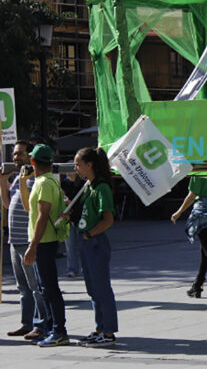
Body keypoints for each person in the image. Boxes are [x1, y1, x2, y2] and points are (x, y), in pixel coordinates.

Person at [0, 140, 49, 341]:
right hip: (14, 240)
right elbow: (7, 203)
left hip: (27, 240)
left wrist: (33, 243)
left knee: (36, 287)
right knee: (23, 288)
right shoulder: (18, 179)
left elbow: (33, 207)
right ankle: (26, 323)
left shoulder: (34, 179)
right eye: (13, 154)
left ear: (30, 157)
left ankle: (42, 324)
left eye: (19, 154)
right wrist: (3, 181)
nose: (15, 157)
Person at [20, 144, 69, 346]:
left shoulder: (44, 183)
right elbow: (30, 210)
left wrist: (33, 245)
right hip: (45, 241)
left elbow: (42, 216)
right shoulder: (46, 180)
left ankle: (59, 331)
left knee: (49, 288)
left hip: (44, 242)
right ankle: (50, 328)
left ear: (33, 162)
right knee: (44, 288)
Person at [73, 147, 118, 347]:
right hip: (87, 241)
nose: (76, 168)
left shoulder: (101, 188)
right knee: (92, 289)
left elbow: (108, 219)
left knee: (102, 288)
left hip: (96, 243)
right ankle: (100, 327)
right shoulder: (88, 186)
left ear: (89, 164)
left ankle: (108, 332)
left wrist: (90, 234)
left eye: (78, 164)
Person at [61, 172, 85, 277]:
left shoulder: (83, 183)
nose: (68, 173)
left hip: (80, 218)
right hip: (68, 218)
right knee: (70, 246)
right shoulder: (63, 184)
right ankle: (72, 269)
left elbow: (84, 200)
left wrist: (72, 203)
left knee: (83, 245)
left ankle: (86, 268)